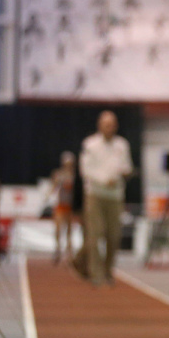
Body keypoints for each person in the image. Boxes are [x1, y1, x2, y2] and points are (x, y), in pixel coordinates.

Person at [79, 111, 133, 286]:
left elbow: (127, 166)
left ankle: (107, 271)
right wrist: (104, 180)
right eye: (106, 124)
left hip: (115, 196)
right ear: (100, 125)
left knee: (114, 235)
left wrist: (125, 173)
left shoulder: (122, 145)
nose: (110, 128)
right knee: (95, 235)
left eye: (112, 124)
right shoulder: (90, 144)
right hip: (95, 194)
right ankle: (96, 273)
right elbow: (86, 170)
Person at [50, 151, 76, 264]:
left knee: (69, 230)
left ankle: (69, 251)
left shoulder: (75, 176)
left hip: (71, 206)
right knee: (58, 228)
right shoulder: (58, 174)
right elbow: (53, 187)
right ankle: (58, 248)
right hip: (61, 205)